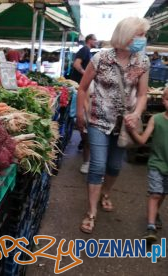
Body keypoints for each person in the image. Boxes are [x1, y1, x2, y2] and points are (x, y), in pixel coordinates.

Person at [77, 17, 150, 234]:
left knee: (115, 166)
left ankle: (105, 192)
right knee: (98, 165)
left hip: (124, 125)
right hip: (98, 120)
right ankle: (91, 212)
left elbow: (144, 94)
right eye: (139, 35)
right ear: (126, 35)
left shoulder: (142, 62)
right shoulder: (101, 58)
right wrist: (80, 113)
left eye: (143, 35)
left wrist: (137, 113)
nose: (143, 39)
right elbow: (83, 88)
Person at [128, 88, 168, 243]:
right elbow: (142, 140)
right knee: (155, 193)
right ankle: (150, 227)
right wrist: (132, 131)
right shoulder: (156, 119)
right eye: (167, 99)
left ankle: (155, 213)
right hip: (156, 163)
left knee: (163, 193)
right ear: (163, 100)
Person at [71, 34, 97, 174]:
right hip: (81, 85)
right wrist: (86, 73)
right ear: (89, 40)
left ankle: (87, 150)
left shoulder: (88, 51)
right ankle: (87, 159)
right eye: (94, 39)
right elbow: (76, 64)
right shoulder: (85, 50)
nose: (96, 41)